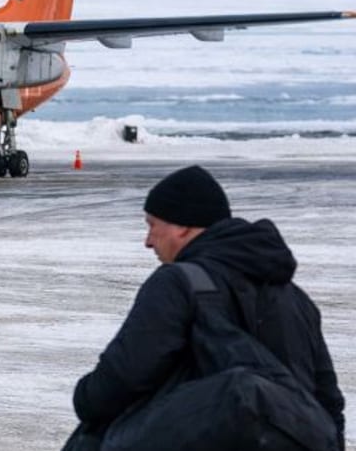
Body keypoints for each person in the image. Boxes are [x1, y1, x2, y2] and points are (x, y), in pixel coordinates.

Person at [69, 165, 344, 447]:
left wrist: (85, 397)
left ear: (184, 226)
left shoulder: (178, 283)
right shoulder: (296, 298)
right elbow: (328, 403)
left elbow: (123, 377)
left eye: (152, 225)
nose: (148, 241)